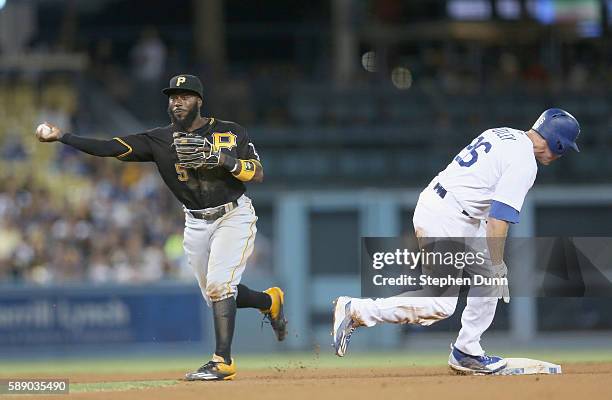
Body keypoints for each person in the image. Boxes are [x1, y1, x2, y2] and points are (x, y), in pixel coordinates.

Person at [36, 74, 287, 381]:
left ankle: (223, 361)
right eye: (172, 97)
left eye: (184, 96)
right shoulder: (159, 139)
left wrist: (222, 158)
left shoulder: (230, 131)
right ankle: (269, 301)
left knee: (221, 286)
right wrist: (63, 136)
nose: (177, 101)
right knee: (217, 295)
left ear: (199, 101)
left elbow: (258, 173)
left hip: (233, 216)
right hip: (195, 221)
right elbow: (109, 147)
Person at [332, 108, 581, 374]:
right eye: (563, 148)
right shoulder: (524, 162)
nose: (560, 155)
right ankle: (356, 309)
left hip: (453, 209)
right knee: (441, 303)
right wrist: (498, 264)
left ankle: (467, 352)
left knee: (488, 278)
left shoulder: (504, 134)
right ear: (557, 143)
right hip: (448, 216)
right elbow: (498, 220)